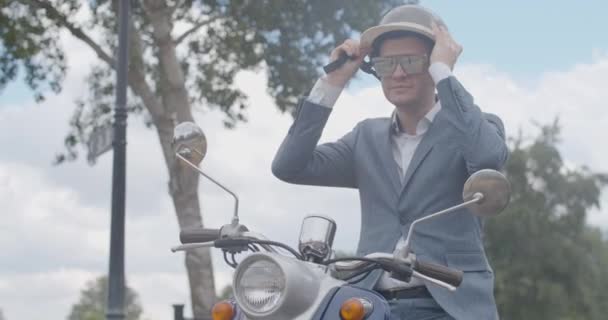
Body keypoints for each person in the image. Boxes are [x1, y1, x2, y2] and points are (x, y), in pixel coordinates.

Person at [272, 4, 508, 320]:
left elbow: (487, 158)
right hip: (368, 304)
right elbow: (289, 166)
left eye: (411, 61)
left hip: (450, 306)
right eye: (386, 64)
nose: (398, 73)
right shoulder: (364, 138)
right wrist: (333, 82)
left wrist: (444, 73)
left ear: (435, 62)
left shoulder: (476, 128)